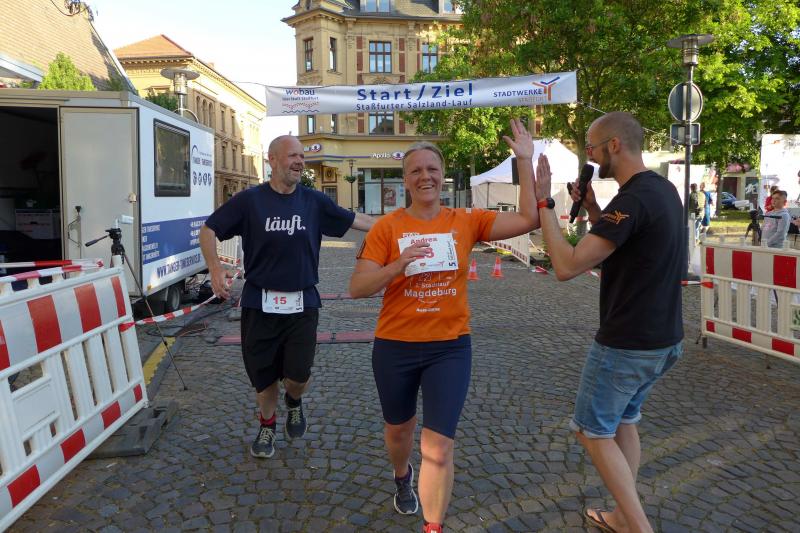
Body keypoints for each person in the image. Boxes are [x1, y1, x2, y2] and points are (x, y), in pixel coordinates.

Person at [349, 119, 539, 533]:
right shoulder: (386, 228)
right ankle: (402, 475)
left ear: (443, 175)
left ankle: (432, 527)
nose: (425, 176)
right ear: (405, 180)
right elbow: (357, 287)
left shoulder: (466, 220)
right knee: (399, 432)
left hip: (449, 347)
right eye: (416, 170)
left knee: (438, 447)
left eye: (432, 169)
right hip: (395, 346)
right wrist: (398, 264)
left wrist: (524, 161)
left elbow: (528, 218)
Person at [535, 112, 684, 533]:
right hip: (664, 339)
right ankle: (621, 516)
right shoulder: (661, 190)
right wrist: (593, 208)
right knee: (623, 422)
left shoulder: (632, 199)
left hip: (628, 343)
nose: (589, 155)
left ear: (614, 145)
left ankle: (638, 526)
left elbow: (566, 266)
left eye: (592, 147)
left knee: (591, 430)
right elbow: (625, 242)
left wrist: (545, 203)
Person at [199, 135, 375, 459]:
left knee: (298, 375)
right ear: (273, 160)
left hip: (302, 301)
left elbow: (356, 220)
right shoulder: (250, 201)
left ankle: (294, 400)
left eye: (302, 156)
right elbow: (209, 229)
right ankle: (267, 425)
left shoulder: (313, 201)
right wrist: (214, 267)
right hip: (259, 302)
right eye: (293, 155)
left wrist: (396, 227)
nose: (299, 161)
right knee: (264, 378)